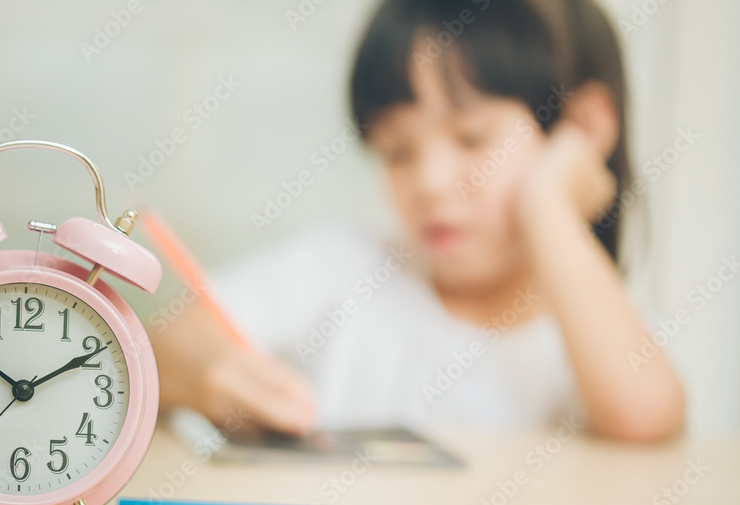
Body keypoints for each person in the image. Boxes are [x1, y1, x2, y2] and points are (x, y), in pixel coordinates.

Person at [151, 0, 685, 442]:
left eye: (472, 138)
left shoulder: (600, 330)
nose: (428, 182)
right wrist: (204, 375)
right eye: (398, 151)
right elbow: (162, 345)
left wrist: (549, 205)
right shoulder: (342, 267)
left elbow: (642, 418)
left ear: (582, 128)